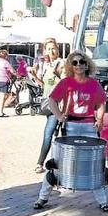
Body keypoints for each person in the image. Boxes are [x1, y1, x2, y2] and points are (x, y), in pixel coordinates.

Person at [33, 51, 108, 212]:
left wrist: (99, 120)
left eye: (81, 62)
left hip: (89, 127)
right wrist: (59, 116)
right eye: (74, 63)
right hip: (70, 126)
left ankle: (103, 202)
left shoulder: (93, 84)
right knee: (56, 164)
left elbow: (101, 103)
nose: (78, 65)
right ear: (70, 65)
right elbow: (52, 100)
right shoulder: (66, 83)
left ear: (86, 64)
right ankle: (42, 198)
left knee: (94, 164)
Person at [34, 41, 63, 173]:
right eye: (49, 49)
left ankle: (40, 163)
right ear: (45, 51)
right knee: (55, 134)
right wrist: (34, 76)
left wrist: (58, 76)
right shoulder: (47, 65)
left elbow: (65, 82)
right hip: (48, 103)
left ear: (58, 49)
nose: (51, 52)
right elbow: (43, 85)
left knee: (48, 133)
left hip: (57, 104)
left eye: (54, 49)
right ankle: (58, 161)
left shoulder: (61, 63)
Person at [0, 49, 15, 117]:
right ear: (5, 55)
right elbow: (12, 71)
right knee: (3, 96)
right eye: (7, 55)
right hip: (3, 80)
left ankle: (0, 109)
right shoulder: (6, 62)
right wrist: (17, 74)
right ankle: (1, 112)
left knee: (2, 96)